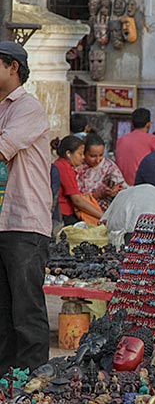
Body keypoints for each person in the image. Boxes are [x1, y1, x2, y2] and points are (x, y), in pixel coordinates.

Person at [0, 41, 52, 371]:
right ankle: (7, 382)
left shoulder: (27, 107)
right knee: (4, 311)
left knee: (26, 309)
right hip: (4, 224)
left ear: (12, 67)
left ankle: (32, 383)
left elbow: (3, 148)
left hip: (25, 223)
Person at [54, 136, 104, 225]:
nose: (83, 157)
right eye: (80, 154)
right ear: (68, 153)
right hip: (64, 215)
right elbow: (77, 201)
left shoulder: (59, 164)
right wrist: (103, 216)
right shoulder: (65, 168)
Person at [76, 133, 127, 211]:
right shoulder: (78, 167)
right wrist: (96, 194)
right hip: (84, 210)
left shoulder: (109, 166)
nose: (97, 160)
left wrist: (115, 191)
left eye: (101, 155)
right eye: (93, 156)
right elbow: (76, 197)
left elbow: (123, 187)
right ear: (84, 153)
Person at [114, 107, 155, 184]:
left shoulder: (121, 140)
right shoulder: (153, 139)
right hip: (142, 186)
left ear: (132, 124)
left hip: (122, 185)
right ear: (148, 124)